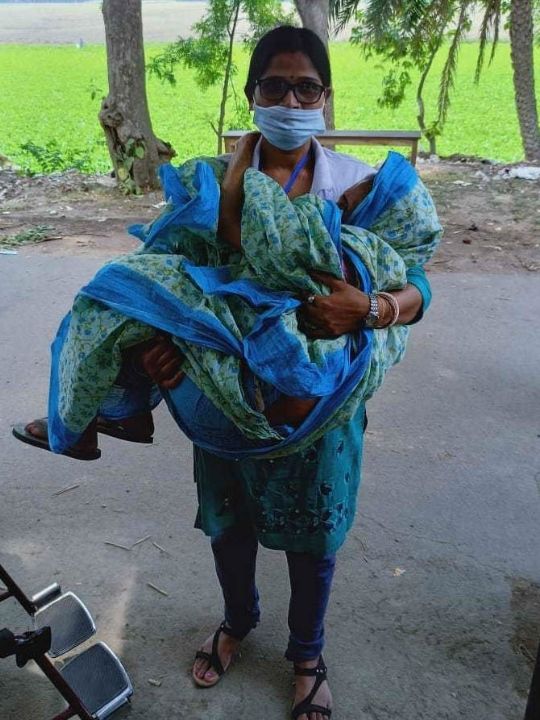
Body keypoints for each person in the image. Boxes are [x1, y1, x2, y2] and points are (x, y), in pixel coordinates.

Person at [14, 26, 438, 720]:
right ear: (252, 95)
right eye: (276, 85)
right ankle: (237, 620)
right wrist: (159, 349)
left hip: (320, 411)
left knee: (313, 539)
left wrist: (371, 305)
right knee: (228, 528)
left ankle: (307, 653)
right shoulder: (213, 181)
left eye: (307, 87)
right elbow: (175, 277)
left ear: (326, 99)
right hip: (218, 402)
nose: (291, 99)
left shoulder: (358, 186)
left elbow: (417, 283)